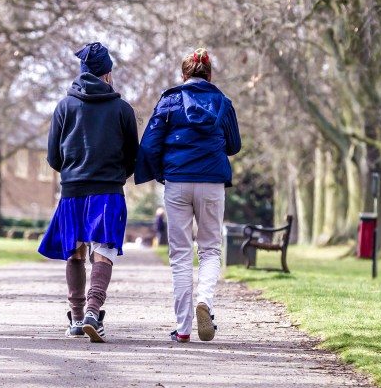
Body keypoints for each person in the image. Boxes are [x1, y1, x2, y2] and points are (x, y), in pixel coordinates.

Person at [135, 47, 241, 343]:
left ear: (184, 76)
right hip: (211, 182)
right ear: (210, 75)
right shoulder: (223, 103)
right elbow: (233, 145)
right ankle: (204, 302)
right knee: (209, 249)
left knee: (180, 255)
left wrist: (160, 173)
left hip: (178, 182)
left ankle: (182, 329)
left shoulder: (170, 100)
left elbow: (150, 144)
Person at [38, 42, 139, 343]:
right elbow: (134, 155)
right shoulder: (122, 109)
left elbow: (54, 157)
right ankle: (94, 311)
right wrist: (116, 176)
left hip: (72, 191)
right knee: (103, 252)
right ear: (107, 74)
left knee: (75, 252)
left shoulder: (63, 107)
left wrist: (73, 173)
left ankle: (77, 318)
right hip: (107, 191)